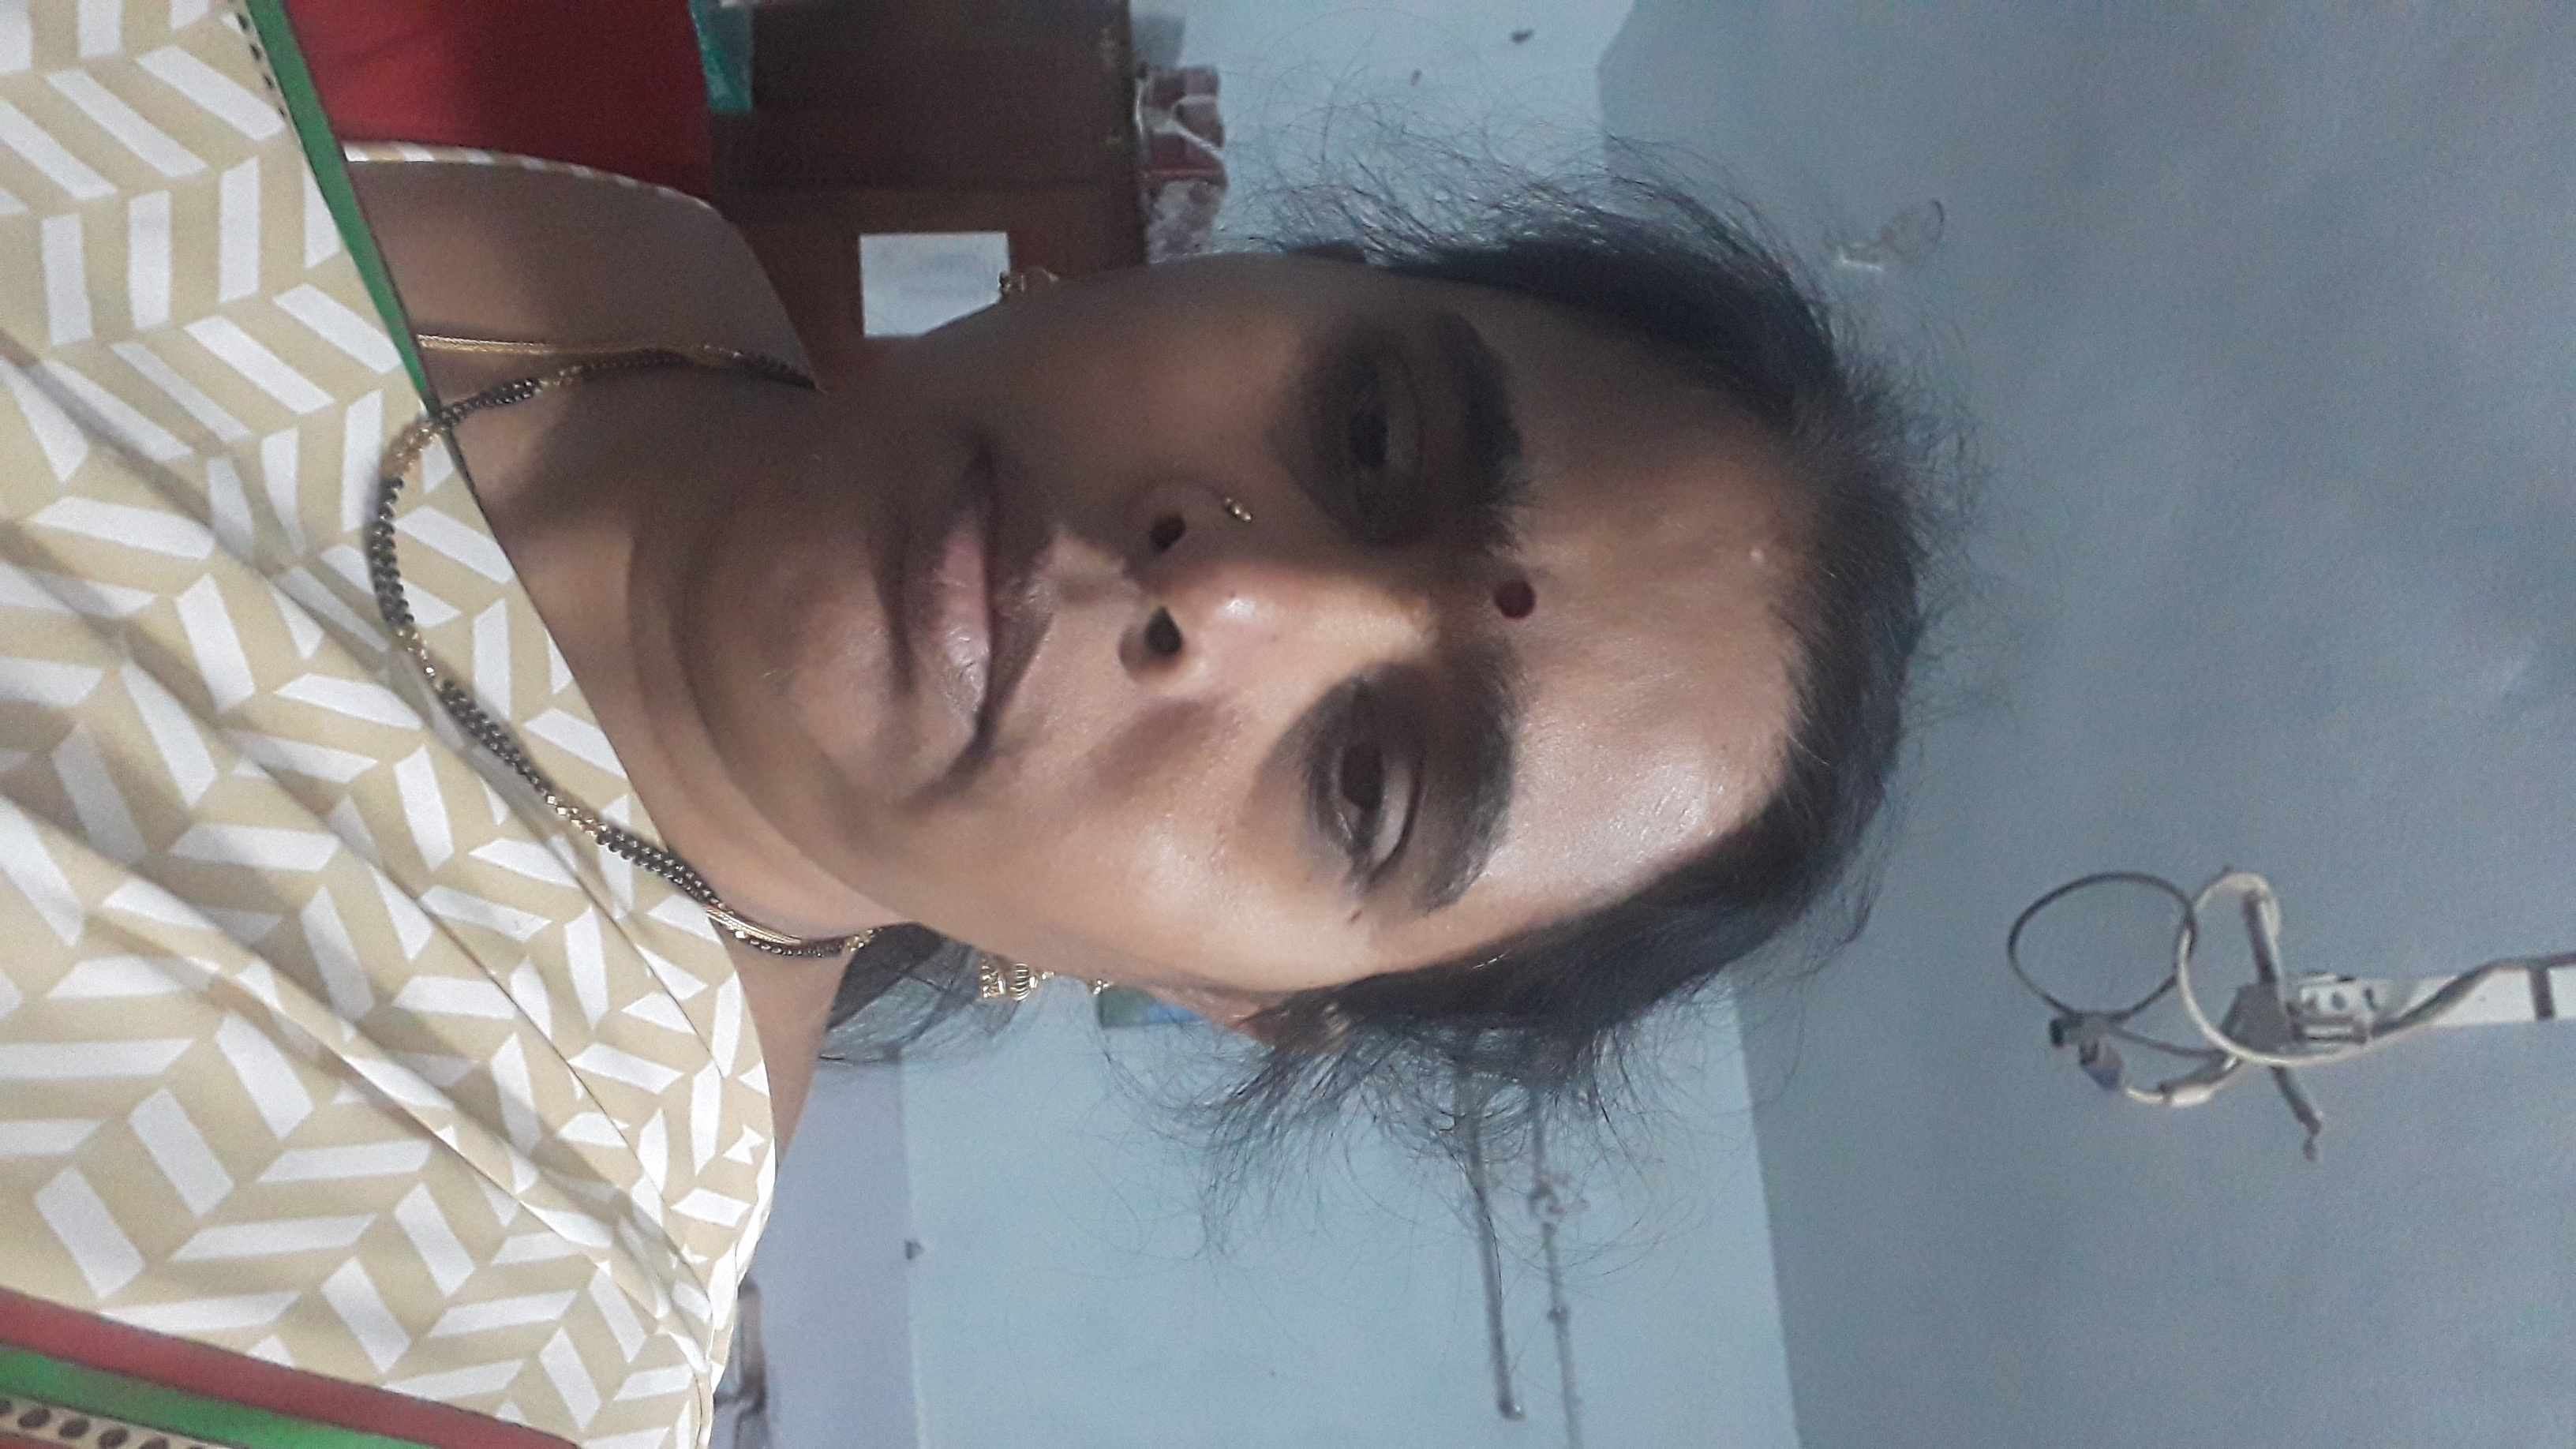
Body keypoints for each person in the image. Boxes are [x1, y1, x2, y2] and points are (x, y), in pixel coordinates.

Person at [0, 2, 1936, 1444]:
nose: (1229, 599)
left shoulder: (469, 1324)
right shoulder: (525, 46)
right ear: (1271, 272)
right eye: (1371, 436)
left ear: (1236, 994)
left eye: (1369, 781)